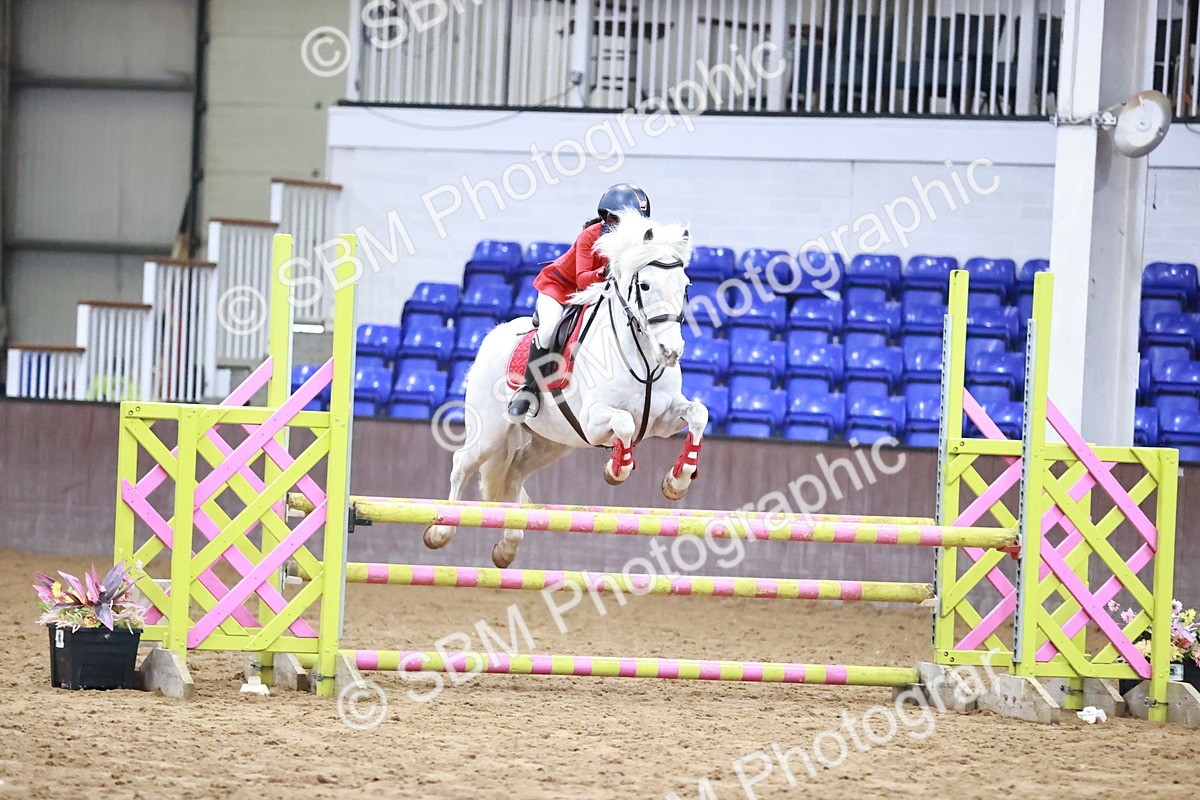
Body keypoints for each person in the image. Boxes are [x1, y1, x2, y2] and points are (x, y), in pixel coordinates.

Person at [506, 183, 651, 419]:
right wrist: (606, 272)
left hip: (597, 292)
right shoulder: (589, 236)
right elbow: (582, 280)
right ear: (609, 217)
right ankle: (528, 390)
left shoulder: (637, 242)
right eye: (623, 219)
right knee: (549, 329)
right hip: (561, 287)